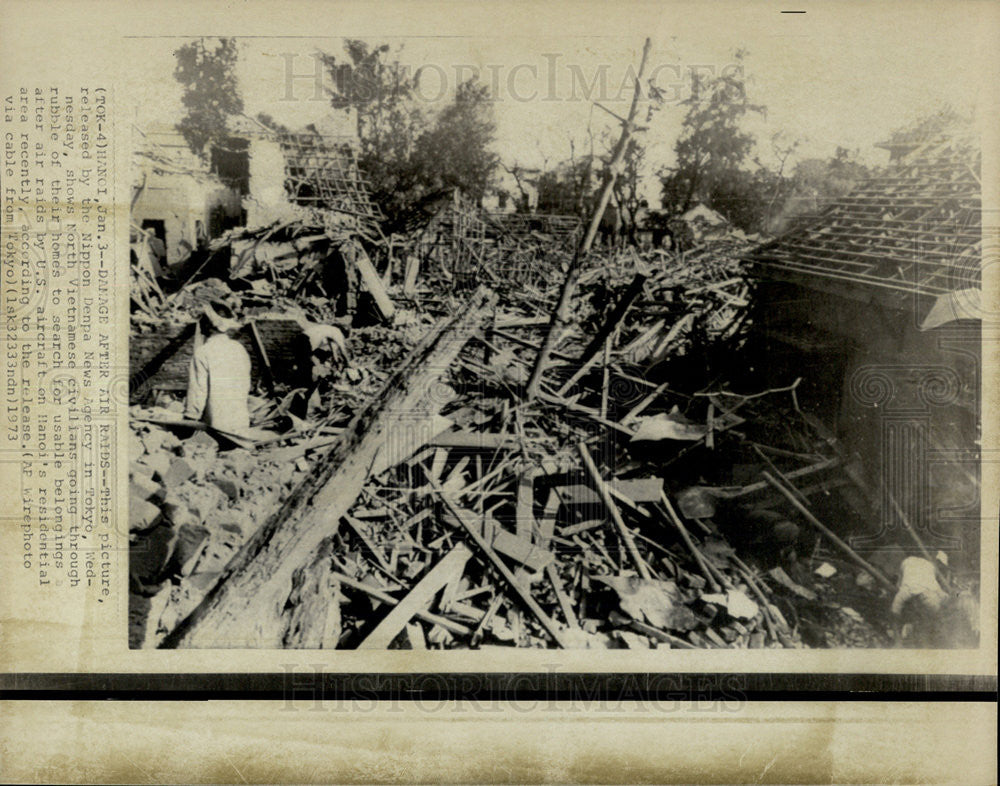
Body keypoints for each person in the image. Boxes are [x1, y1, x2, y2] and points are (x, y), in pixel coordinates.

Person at [184, 302, 252, 434]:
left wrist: (189, 418)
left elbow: (198, 391)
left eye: (203, 319)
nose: (200, 323)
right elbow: (245, 385)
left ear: (210, 325)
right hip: (241, 424)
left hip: (216, 427)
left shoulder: (203, 352)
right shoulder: (239, 348)